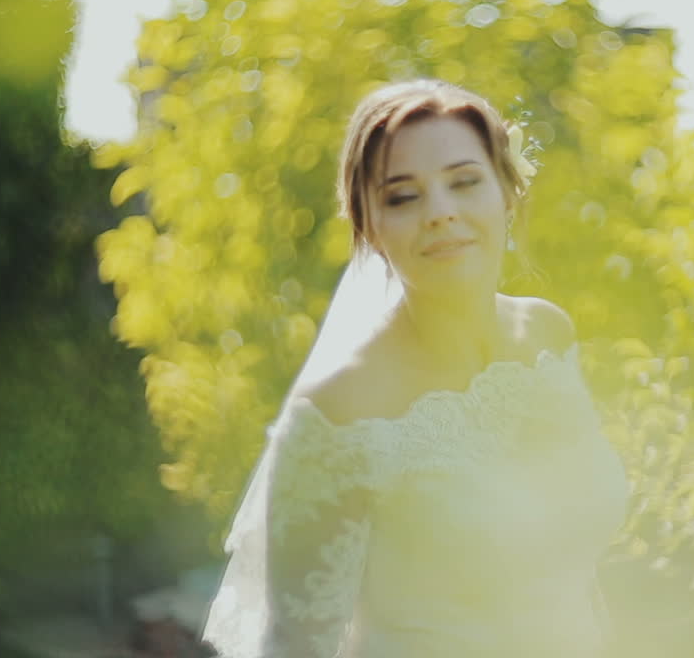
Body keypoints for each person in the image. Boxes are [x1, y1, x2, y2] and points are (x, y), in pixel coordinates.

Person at [200, 79, 630, 658]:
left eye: (464, 182)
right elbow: (295, 646)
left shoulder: (547, 337)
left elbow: (577, 570)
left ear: (507, 191)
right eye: (403, 197)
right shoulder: (338, 409)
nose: (441, 213)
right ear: (369, 225)